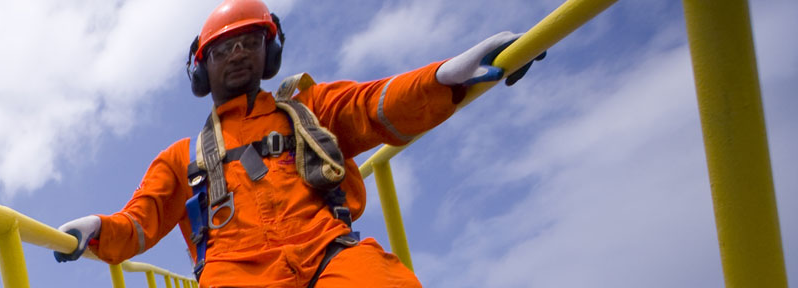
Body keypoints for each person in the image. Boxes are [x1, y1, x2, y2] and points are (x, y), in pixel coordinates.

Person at [50, 0, 545, 287]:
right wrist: (95, 230)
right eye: (224, 48)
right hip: (235, 273)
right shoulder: (182, 158)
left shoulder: (310, 109)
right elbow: (139, 223)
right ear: (202, 68)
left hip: (329, 251)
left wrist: (447, 75)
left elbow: (377, 105)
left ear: (270, 52)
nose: (239, 53)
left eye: (250, 41)